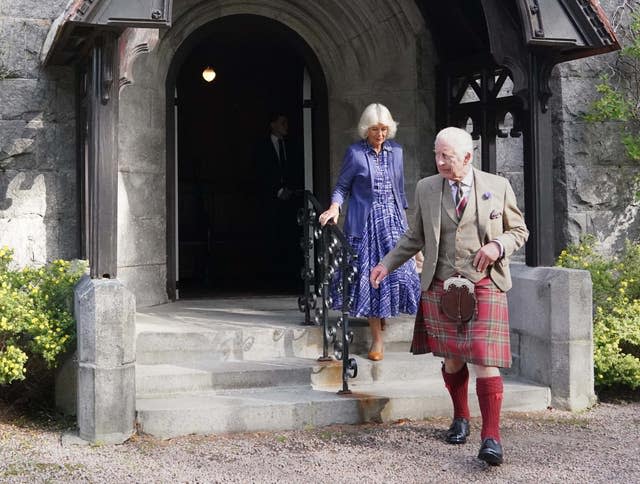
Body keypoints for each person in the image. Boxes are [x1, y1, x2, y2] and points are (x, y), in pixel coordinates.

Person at [370, 126, 529, 466]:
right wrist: (386, 264)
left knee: (486, 359)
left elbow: (519, 231)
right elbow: (414, 237)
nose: (440, 161)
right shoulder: (427, 188)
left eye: (447, 156)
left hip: (485, 284)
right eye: (437, 155)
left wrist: (497, 245)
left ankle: (491, 437)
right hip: (441, 284)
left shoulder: (497, 187)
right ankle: (460, 416)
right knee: (453, 359)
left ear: (468, 158)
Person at [318, 103, 421, 361]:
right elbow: (342, 186)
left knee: (402, 273)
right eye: (375, 129)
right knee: (371, 278)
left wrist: (407, 223)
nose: (380, 134)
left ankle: (386, 316)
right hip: (366, 222)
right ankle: (377, 339)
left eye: (384, 129)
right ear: (366, 129)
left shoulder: (396, 151)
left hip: (393, 219)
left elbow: (399, 190)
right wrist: (334, 207)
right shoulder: (355, 153)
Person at [254, 112, 302, 289]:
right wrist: (276, 190)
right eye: (282, 123)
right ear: (272, 125)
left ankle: (288, 277)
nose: (286, 126)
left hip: (290, 201)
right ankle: (270, 278)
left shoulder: (291, 146)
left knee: (289, 237)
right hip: (269, 201)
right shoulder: (261, 147)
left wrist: (290, 189)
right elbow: (260, 172)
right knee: (270, 237)